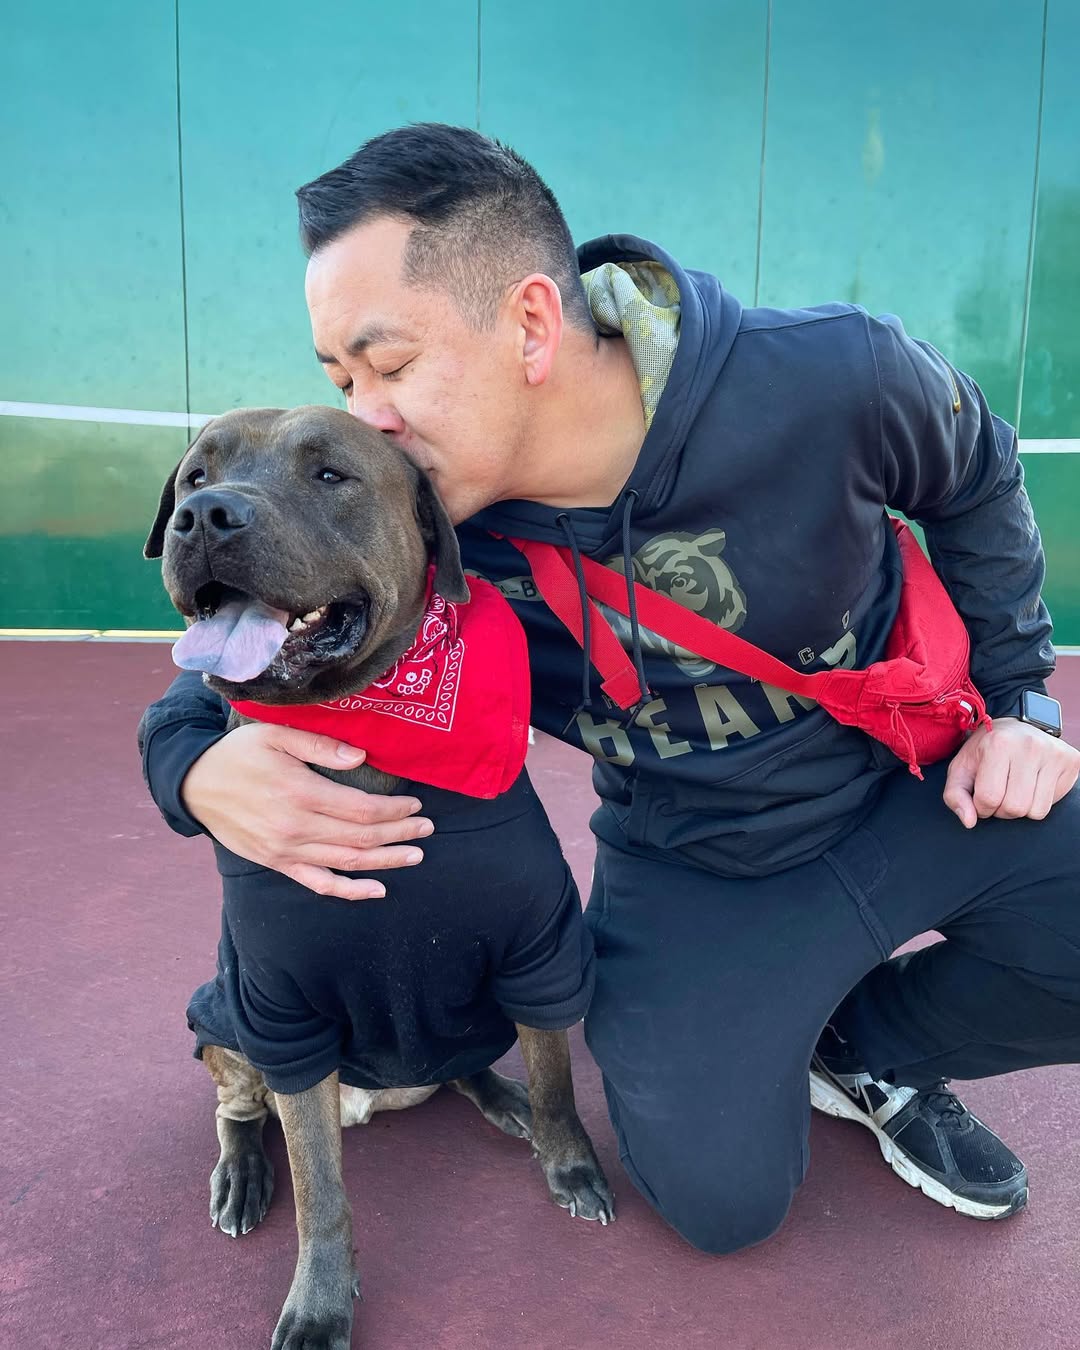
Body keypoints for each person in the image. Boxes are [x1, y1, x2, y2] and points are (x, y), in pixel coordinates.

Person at [138, 124, 1080, 1253]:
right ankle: (819, 1037)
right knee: (721, 1204)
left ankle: (876, 1043)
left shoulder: (834, 375)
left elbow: (979, 476)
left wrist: (1021, 700)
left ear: (533, 323)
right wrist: (196, 771)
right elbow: (238, 652)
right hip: (701, 857)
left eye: (389, 366)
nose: (366, 413)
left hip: (917, 786)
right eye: (341, 377)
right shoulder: (426, 524)